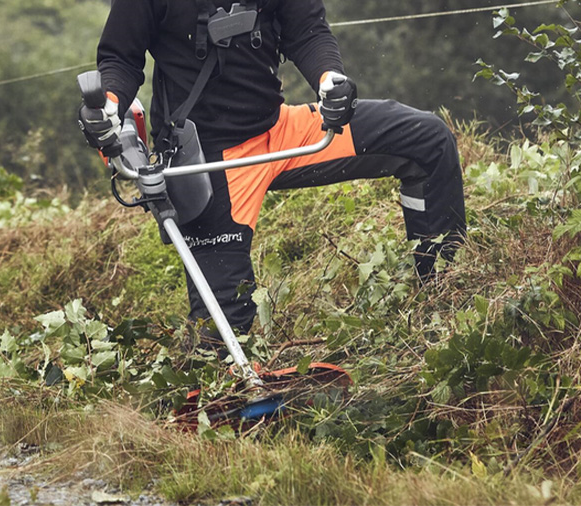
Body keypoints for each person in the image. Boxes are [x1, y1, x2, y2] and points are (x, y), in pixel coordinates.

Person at [78, 0, 466, 340]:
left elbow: (308, 31)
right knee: (220, 340)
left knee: (426, 140)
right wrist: (108, 104)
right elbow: (120, 59)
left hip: (280, 132)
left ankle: (443, 296)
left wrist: (330, 79)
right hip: (207, 160)